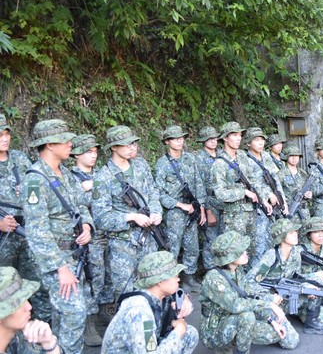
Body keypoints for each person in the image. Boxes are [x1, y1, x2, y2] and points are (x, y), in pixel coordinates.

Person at [22, 119, 94, 354]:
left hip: (75, 254)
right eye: (65, 139)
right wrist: (59, 267)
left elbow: (81, 207)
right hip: (57, 260)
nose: (71, 143)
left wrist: (87, 227)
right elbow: (36, 230)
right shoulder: (34, 179)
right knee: (74, 313)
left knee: (63, 314)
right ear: (49, 145)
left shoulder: (65, 174)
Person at [92, 125, 163, 301]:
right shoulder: (103, 177)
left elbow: (152, 192)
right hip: (123, 245)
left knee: (153, 287)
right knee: (126, 294)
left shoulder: (141, 165)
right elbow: (101, 217)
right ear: (114, 147)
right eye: (127, 144)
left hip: (149, 238)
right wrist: (131, 217)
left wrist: (156, 212)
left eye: (134, 143)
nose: (133, 147)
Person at [198, 231, 299, 354]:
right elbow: (236, 305)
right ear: (229, 257)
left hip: (235, 318)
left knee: (275, 333)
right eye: (240, 251)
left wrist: (270, 319)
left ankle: (236, 338)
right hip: (215, 331)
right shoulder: (213, 278)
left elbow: (248, 292)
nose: (245, 253)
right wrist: (269, 304)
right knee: (247, 316)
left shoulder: (237, 270)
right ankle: (233, 349)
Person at [0, 114, 51, 324]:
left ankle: (41, 333)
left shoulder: (20, 159)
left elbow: (38, 186)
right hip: (4, 238)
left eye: (6, 133)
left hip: (27, 230)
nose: (4, 138)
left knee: (36, 284)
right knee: (5, 290)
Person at [246, 218, 323, 335]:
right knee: (291, 340)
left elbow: (295, 277)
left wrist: (306, 285)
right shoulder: (271, 256)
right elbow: (248, 282)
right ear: (281, 237)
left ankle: (309, 324)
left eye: (295, 231)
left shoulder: (295, 253)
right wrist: (269, 299)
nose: (295, 235)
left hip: (286, 295)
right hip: (271, 301)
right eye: (291, 233)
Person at [101, 251, 198, 353]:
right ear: (160, 281)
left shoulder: (158, 295)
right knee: (182, 333)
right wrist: (178, 332)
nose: (178, 279)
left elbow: (179, 294)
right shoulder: (139, 311)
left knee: (189, 334)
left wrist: (184, 299)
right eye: (174, 275)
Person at [154, 126, 206, 292]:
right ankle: (170, 283)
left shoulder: (190, 158)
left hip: (192, 208)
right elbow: (159, 193)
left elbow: (198, 183)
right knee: (173, 248)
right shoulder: (162, 164)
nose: (179, 141)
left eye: (181, 138)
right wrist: (179, 205)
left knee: (192, 246)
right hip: (175, 211)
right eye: (175, 139)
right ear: (167, 142)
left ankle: (189, 278)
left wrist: (202, 208)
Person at [211, 122, 271, 266]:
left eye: (240, 135)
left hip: (250, 211)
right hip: (234, 215)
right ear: (225, 138)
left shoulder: (243, 157)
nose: (238, 138)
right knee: (235, 253)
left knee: (251, 249)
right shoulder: (219, 164)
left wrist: (263, 199)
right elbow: (220, 193)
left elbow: (253, 181)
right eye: (234, 135)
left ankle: (247, 282)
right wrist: (243, 192)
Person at [70, 134, 105, 346]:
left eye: (94, 151)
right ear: (76, 154)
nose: (93, 156)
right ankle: (89, 323)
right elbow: (74, 206)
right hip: (86, 235)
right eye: (87, 152)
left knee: (105, 276)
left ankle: (103, 311)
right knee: (91, 277)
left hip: (107, 232)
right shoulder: (70, 178)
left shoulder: (102, 174)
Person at [244, 127, 287, 265]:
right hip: (258, 206)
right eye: (256, 140)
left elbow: (275, 179)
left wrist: (282, 200)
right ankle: (256, 271)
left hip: (274, 204)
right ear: (249, 143)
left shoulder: (267, 157)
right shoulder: (246, 160)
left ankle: (268, 269)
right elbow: (251, 182)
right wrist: (267, 195)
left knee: (271, 238)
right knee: (258, 241)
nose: (260, 143)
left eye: (262, 139)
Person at [0, 266, 61, 354]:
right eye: (18, 303)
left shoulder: (17, 339)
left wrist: (49, 344)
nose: (29, 307)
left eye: (26, 300)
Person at [195, 125, 224, 270]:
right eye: (209, 139)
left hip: (225, 201)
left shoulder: (222, 154)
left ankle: (223, 267)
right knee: (211, 238)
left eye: (214, 138)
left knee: (224, 236)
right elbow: (199, 185)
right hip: (210, 202)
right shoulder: (199, 159)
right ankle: (210, 269)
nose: (213, 141)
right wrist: (207, 210)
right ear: (203, 141)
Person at [277, 145, 313, 223]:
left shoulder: (303, 173)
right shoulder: (281, 174)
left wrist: (309, 194)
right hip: (290, 211)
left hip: (304, 212)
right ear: (287, 157)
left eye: (296, 156)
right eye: (291, 156)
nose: (294, 158)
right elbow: (277, 192)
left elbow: (310, 188)